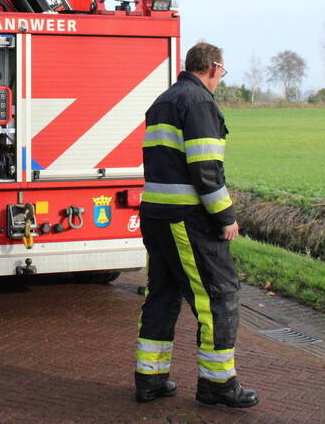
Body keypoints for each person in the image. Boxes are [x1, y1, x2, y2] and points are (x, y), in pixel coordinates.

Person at [133, 42, 258, 409]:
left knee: (163, 293)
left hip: (156, 215)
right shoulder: (199, 102)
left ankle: (150, 379)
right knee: (218, 295)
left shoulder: (163, 101)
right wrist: (226, 217)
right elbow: (206, 170)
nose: (221, 78)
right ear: (215, 67)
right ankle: (218, 385)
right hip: (186, 219)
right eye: (223, 72)